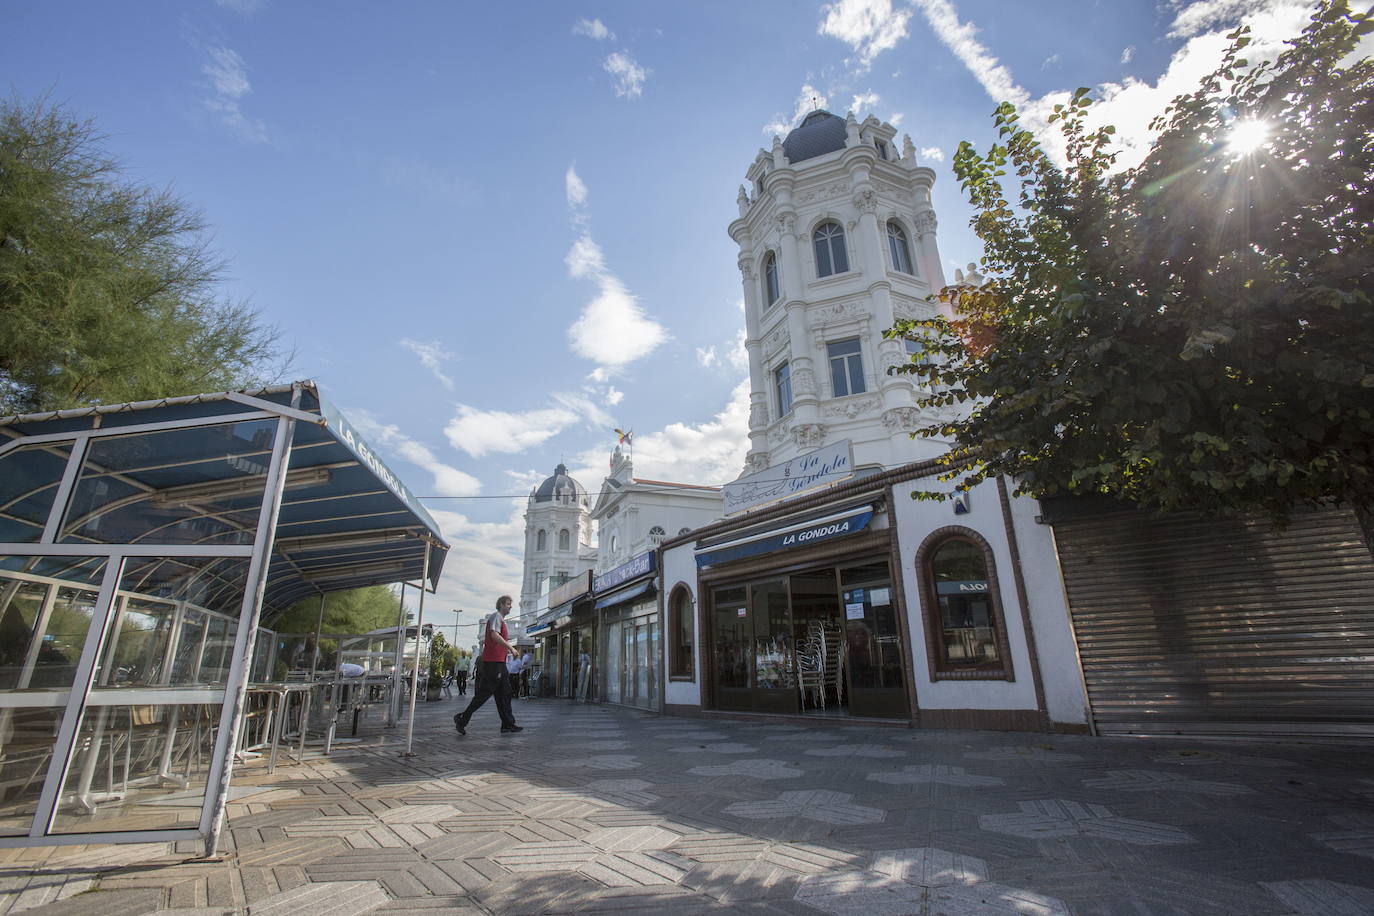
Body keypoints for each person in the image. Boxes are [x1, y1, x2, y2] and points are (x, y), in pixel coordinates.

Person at [453, 596, 522, 735]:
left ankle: (508, 724)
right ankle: (462, 719)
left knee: (505, 693)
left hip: (499, 662)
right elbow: (494, 635)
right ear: (501, 604)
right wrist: (511, 647)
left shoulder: (500, 619)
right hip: (494, 662)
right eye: (508, 604)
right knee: (485, 694)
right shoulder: (496, 617)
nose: (510, 607)